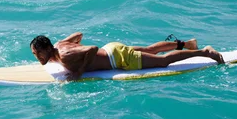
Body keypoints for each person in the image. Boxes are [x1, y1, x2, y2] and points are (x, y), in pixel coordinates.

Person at [30, 33, 225, 81]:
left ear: (46, 49)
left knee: (164, 61)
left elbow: (91, 48)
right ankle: (187, 43)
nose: (36, 56)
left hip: (119, 60)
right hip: (112, 49)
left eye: (37, 53)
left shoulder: (64, 52)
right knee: (151, 49)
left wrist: (79, 71)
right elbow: (78, 35)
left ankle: (205, 52)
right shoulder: (59, 45)